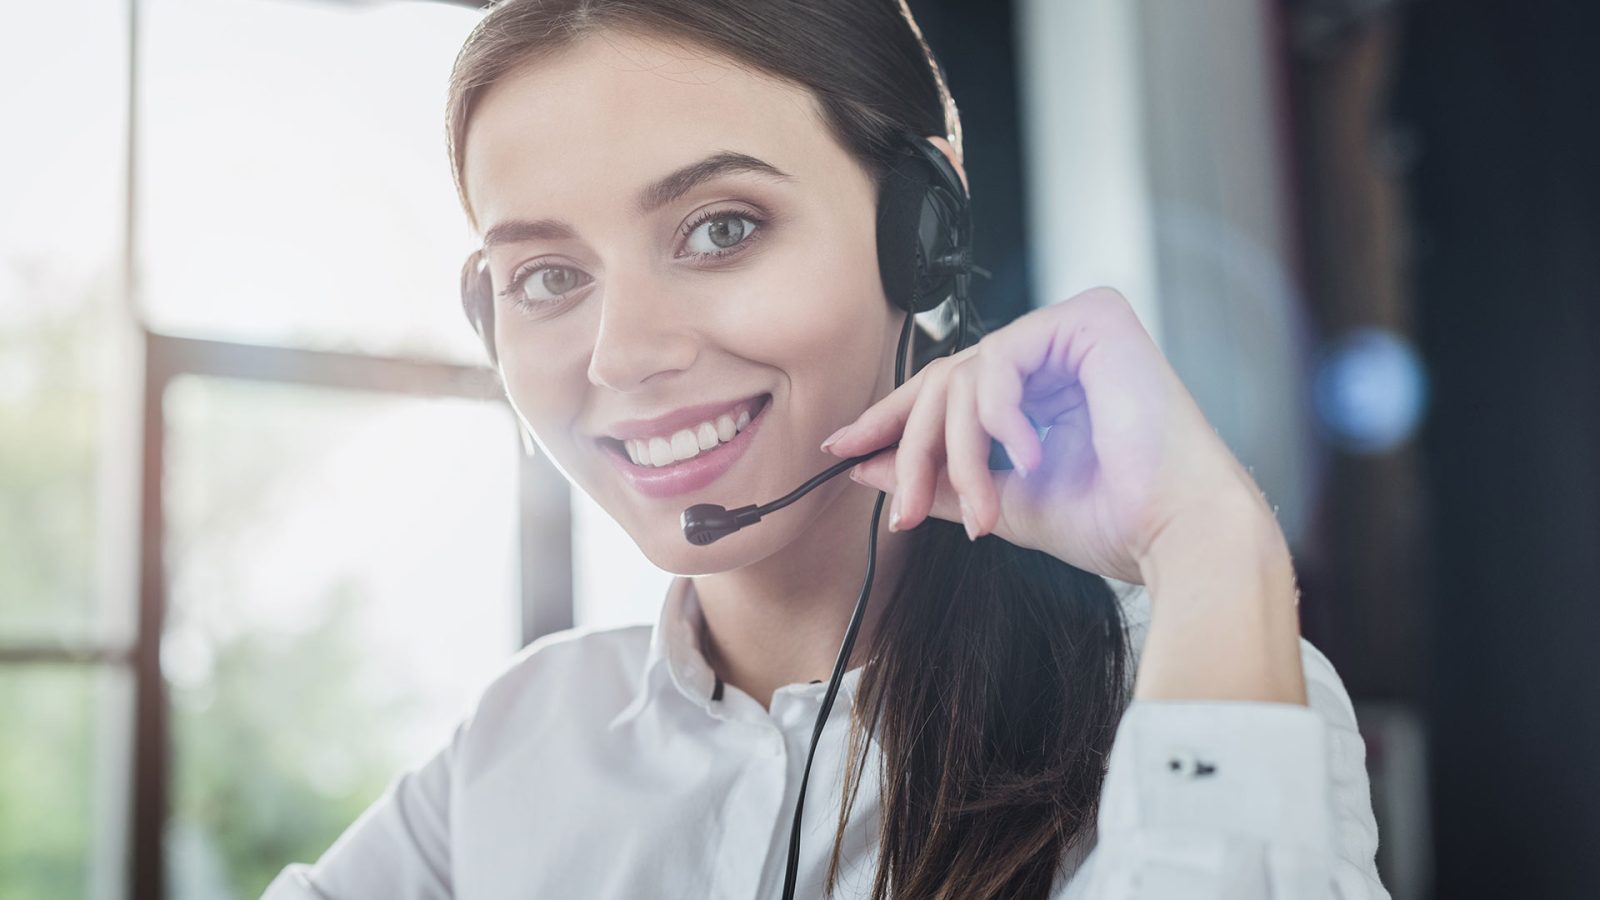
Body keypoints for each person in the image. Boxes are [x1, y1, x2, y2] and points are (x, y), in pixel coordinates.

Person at [264, 1, 1390, 897]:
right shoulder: (517, 745)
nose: (623, 355)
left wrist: (1205, 535)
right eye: (547, 277)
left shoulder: (1196, 683)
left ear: (924, 229)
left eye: (720, 228)